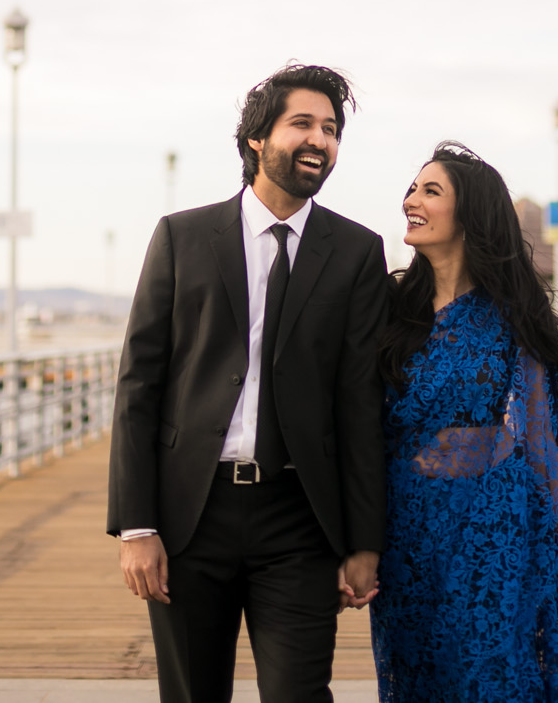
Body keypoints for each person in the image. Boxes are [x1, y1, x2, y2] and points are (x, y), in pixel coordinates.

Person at [108, 64, 389, 703]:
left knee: (298, 694)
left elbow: (359, 405)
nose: (321, 139)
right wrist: (137, 526)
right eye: (303, 124)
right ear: (257, 139)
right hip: (189, 513)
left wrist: (364, 541)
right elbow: (138, 386)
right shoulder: (182, 237)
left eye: (332, 129)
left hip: (300, 518)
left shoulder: (355, 252)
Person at [371, 142, 558, 703]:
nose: (412, 199)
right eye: (413, 187)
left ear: (470, 215)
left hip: (495, 528)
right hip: (405, 531)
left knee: (488, 674)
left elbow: (543, 442)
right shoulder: (388, 306)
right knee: (416, 676)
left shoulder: (512, 315)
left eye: (431, 191)